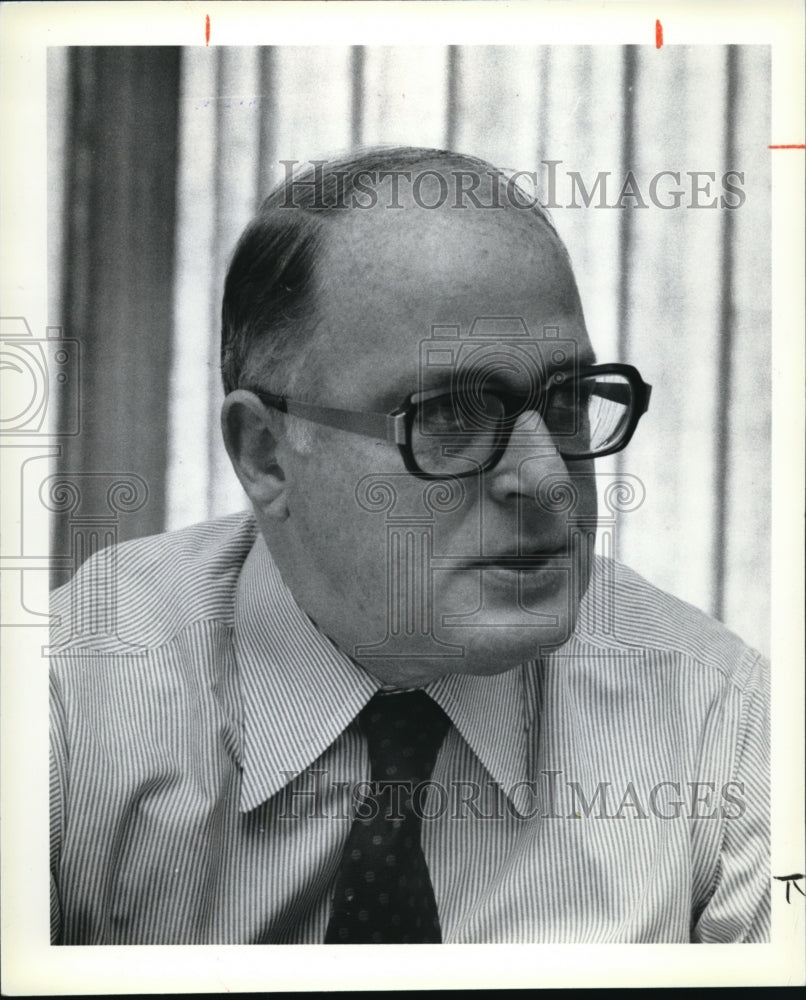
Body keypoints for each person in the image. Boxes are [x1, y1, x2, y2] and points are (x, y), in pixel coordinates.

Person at [49, 147, 769, 945]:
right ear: (267, 454)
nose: (547, 480)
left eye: (564, 400)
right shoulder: (67, 704)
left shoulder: (718, 718)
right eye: (450, 414)